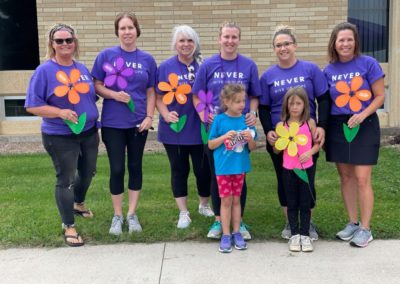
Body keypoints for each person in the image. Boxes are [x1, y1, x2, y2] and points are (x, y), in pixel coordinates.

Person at [25, 23, 99, 247]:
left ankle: (78, 203)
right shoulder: (44, 71)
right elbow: (32, 105)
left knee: (87, 172)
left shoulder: (82, 69)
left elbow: (89, 97)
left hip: (88, 132)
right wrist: (60, 112)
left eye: (69, 40)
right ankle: (69, 225)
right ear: (52, 44)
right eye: (60, 41)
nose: (65, 44)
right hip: (59, 135)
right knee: (65, 179)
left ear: (75, 43)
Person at [258, 25, 329, 241]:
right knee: (284, 179)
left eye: (287, 43)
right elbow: (263, 107)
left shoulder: (310, 70)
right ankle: (290, 223)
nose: (283, 48)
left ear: (295, 45)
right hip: (281, 137)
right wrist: (269, 130)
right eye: (278, 45)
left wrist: (322, 125)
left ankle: (308, 223)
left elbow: (324, 99)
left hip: (307, 136)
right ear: (274, 49)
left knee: (307, 179)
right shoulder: (268, 75)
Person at [192, 21, 261, 240]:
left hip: (240, 128)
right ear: (219, 39)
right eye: (226, 37)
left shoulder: (249, 65)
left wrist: (253, 113)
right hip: (216, 129)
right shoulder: (208, 65)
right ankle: (218, 221)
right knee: (217, 175)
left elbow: (254, 96)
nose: (230, 41)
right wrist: (205, 114)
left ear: (239, 40)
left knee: (239, 173)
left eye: (234, 37)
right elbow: (196, 95)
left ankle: (239, 222)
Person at [91, 12, 157, 235]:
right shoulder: (106, 55)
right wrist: (113, 95)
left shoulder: (147, 59)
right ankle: (117, 215)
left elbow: (151, 91)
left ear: (137, 30)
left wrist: (149, 117)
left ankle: (132, 214)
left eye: (130, 27)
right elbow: (96, 84)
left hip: (138, 123)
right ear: (117, 31)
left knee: (136, 167)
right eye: (122, 28)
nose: (127, 32)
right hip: (112, 123)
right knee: (117, 169)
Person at [323, 22, 385, 248]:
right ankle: (352, 222)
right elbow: (326, 101)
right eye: (341, 40)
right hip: (338, 126)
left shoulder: (369, 64)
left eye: (349, 39)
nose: (345, 44)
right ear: (334, 43)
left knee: (361, 178)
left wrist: (361, 114)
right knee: (346, 177)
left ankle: (366, 229)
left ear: (355, 42)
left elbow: (379, 97)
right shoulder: (328, 69)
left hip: (364, 123)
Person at [155, 25, 214, 229]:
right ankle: (183, 211)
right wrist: (165, 113)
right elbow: (158, 97)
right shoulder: (165, 67)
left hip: (201, 127)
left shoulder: (204, 66)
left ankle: (204, 205)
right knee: (179, 170)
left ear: (195, 43)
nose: (186, 44)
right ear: (175, 44)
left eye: (190, 40)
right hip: (175, 129)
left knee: (203, 170)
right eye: (181, 40)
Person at [208, 84, 257, 253]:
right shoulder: (219, 120)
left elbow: (253, 145)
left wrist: (249, 137)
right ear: (226, 102)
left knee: (237, 200)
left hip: (240, 167)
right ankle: (226, 234)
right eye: (237, 101)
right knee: (226, 200)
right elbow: (211, 144)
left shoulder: (246, 120)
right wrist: (224, 137)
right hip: (223, 168)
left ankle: (237, 232)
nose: (242, 104)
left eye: (243, 101)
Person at [273, 87, 320, 252]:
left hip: (306, 169)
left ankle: (305, 235)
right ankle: (294, 235)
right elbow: (277, 151)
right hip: (288, 169)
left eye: (298, 103)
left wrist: (310, 152)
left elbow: (317, 144)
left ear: (304, 105)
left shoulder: (310, 123)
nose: (294, 107)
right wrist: (277, 144)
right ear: (286, 105)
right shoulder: (281, 125)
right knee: (291, 202)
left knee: (305, 203)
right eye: (291, 103)